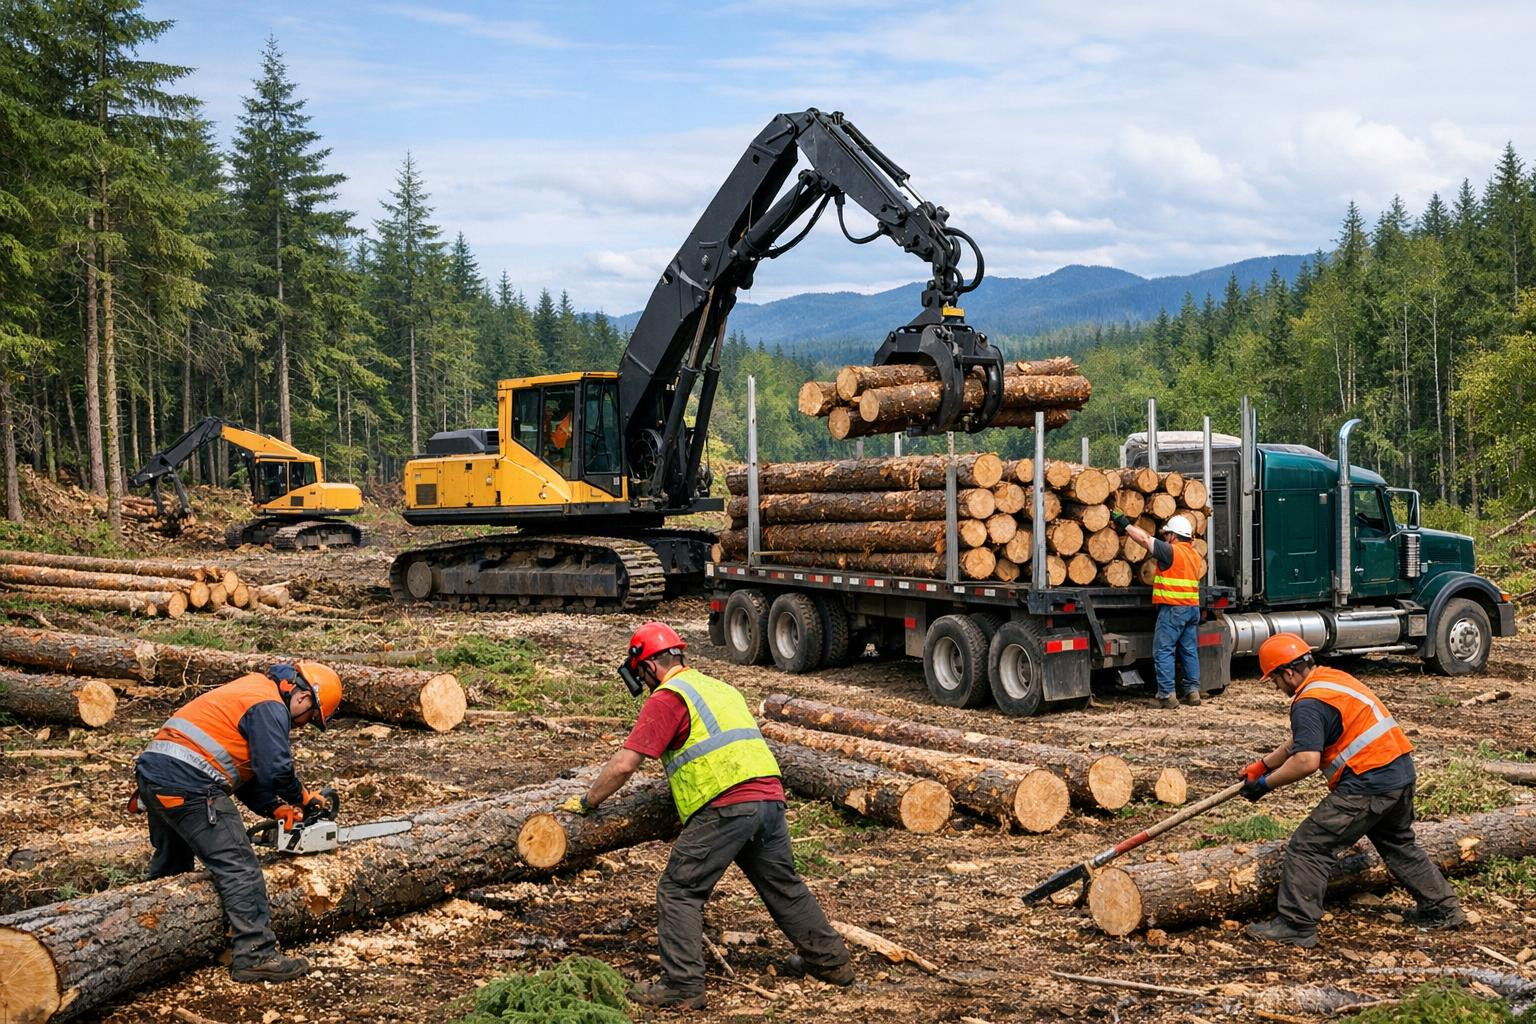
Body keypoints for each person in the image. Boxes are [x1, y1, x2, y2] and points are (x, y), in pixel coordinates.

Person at [558, 622, 852, 1009]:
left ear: (647, 666)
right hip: (769, 798)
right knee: (784, 885)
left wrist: (588, 802)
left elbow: (625, 765)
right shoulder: (720, 688)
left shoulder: (667, 698)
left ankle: (682, 986)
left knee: (679, 890)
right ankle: (831, 962)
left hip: (728, 806)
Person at [1238, 633, 1466, 947]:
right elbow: (1301, 741)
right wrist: (1264, 764)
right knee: (1398, 843)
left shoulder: (1307, 703)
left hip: (1368, 783)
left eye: (1275, 680)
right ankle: (1444, 910)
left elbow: (1306, 760)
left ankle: (1296, 924)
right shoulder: (1330, 681)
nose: (1278, 689)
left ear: (1288, 673)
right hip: (1399, 774)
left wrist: (1265, 785)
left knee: (1309, 846)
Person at [133, 661, 343, 982]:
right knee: (239, 866)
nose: (301, 726)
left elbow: (243, 770)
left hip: (156, 776)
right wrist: (302, 797)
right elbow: (275, 769)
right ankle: (256, 954)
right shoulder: (269, 705)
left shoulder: (250, 691)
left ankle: (150, 946)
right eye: (309, 719)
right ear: (303, 697)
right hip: (189, 783)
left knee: (172, 868)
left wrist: (275, 809)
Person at [1112, 509, 1205, 708]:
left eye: (1167, 535)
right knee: (1189, 650)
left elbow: (1145, 539)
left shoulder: (1171, 550)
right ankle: (1193, 692)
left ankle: (1167, 696)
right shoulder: (1195, 555)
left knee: (1164, 650)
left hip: (1173, 609)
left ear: (1173, 535)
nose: (1166, 537)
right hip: (1191, 608)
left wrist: (1124, 523)